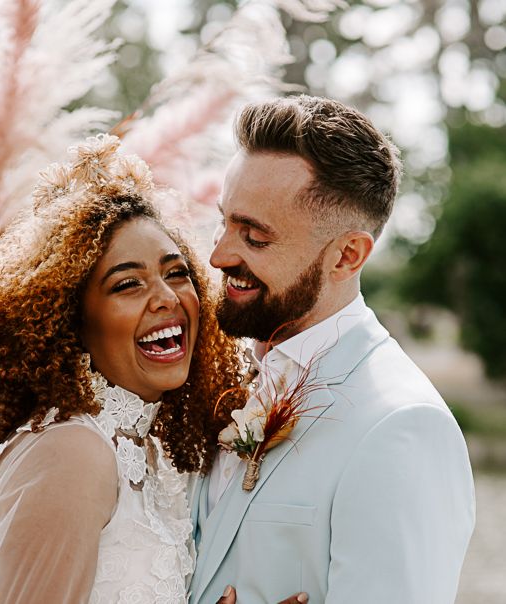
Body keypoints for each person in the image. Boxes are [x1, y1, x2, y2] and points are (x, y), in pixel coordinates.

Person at [0, 134, 304, 604]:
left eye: (177, 273)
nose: (166, 297)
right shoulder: (71, 452)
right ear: (68, 319)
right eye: (127, 284)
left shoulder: (145, 444)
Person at [189, 96, 475, 604]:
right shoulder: (219, 374)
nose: (218, 254)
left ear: (347, 255)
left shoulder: (402, 427)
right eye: (225, 221)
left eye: (254, 236)